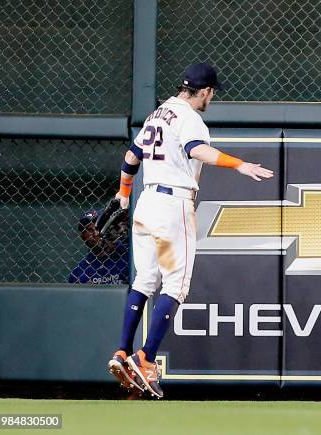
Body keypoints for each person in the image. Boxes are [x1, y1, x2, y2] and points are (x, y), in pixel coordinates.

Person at [107, 62, 274, 398]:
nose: (211, 98)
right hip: (173, 204)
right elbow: (195, 150)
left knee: (144, 280)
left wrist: (123, 194)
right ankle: (146, 358)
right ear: (206, 91)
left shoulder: (157, 113)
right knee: (176, 286)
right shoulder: (189, 118)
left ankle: (123, 351)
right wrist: (239, 164)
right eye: (212, 93)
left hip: (146, 200)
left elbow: (131, 157)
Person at [68, 209, 129, 285]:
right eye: (89, 229)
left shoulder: (129, 256)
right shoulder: (79, 273)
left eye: (99, 227)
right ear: (83, 237)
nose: (96, 233)